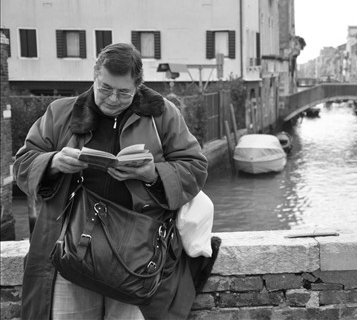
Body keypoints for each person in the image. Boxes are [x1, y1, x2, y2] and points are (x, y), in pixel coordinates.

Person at [14, 43, 212, 320]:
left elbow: (196, 168)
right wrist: (54, 162)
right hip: (68, 248)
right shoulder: (60, 112)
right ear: (94, 76)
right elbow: (22, 164)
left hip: (136, 254)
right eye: (105, 89)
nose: (112, 99)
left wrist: (152, 174)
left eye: (124, 93)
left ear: (138, 87)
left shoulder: (163, 115)